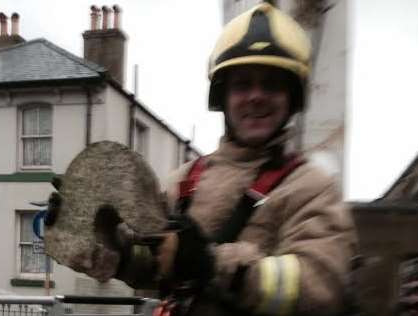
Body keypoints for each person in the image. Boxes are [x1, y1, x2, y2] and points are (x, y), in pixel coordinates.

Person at [47, 3, 357, 316]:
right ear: (223, 97)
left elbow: (322, 287)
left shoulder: (313, 188)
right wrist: (104, 238)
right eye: (242, 84)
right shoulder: (184, 181)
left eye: (272, 84)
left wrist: (212, 264)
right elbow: (152, 267)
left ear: (293, 99)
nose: (256, 96)